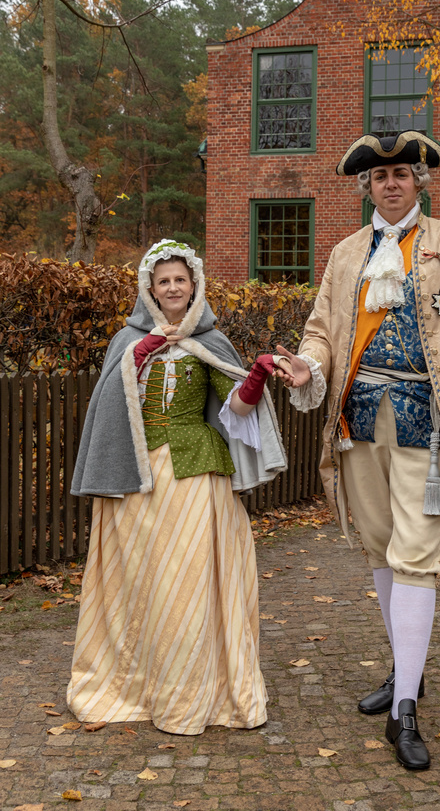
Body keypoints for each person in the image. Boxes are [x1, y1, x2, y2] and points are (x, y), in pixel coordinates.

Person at [278, 132, 440, 771]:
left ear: (419, 181)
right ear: (367, 186)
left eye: (400, 174)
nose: (390, 184)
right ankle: (404, 672)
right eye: (379, 176)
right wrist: (309, 366)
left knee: (417, 554)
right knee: (381, 546)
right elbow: (321, 331)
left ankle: (404, 709)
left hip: (427, 417)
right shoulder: (345, 254)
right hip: (358, 418)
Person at [67, 239, 288, 735]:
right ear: (150, 288)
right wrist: (144, 349)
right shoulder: (125, 340)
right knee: (142, 577)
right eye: (163, 280)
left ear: (194, 288)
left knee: (190, 577)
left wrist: (252, 379)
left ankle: (194, 689)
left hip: (196, 474)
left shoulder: (210, 340)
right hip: (139, 474)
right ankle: (139, 681)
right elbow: (111, 401)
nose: (172, 288)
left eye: (180, 280)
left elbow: (233, 410)